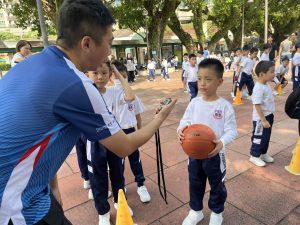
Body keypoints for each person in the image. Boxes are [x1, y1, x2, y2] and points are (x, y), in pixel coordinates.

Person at [0, 1, 176, 225]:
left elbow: (35, 133)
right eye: (109, 43)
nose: (110, 51)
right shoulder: (77, 85)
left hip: (31, 188)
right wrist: (162, 116)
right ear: (87, 43)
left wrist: (52, 185)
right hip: (15, 206)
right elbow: (124, 146)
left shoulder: (31, 62)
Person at [178, 58, 237, 225]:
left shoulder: (224, 106)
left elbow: (232, 130)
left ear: (219, 81)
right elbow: (184, 121)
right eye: (199, 78)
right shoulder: (194, 103)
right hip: (194, 154)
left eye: (208, 79)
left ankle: (217, 212)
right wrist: (181, 131)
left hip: (215, 155)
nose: (202, 83)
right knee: (195, 183)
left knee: (217, 185)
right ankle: (196, 211)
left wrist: (222, 142)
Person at [86, 61, 135, 225]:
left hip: (115, 138)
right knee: (97, 177)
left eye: (104, 73)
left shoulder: (113, 92)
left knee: (117, 174)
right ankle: (103, 212)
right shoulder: (85, 92)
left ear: (110, 74)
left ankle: (120, 203)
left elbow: (130, 96)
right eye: (95, 73)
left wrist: (118, 74)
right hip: (94, 141)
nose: (100, 77)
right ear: (88, 74)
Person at [112, 61, 151, 204]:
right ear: (111, 78)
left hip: (131, 132)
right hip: (117, 134)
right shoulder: (110, 95)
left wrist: (140, 131)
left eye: (123, 77)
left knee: (136, 160)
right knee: (118, 164)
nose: (121, 80)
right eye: (117, 77)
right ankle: (120, 187)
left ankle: (141, 185)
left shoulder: (133, 96)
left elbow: (137, 115)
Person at [249, 61, 276, 167]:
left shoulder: (266, 85)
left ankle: (263, 153)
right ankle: (254, 156)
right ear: (261, 74)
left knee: (266, 136)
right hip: (261, 119)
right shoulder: (258, 88)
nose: (274, 74)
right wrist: (263, 120)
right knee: (259, 137)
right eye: (271, 72)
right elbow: (257, 105)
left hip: (268, 115)